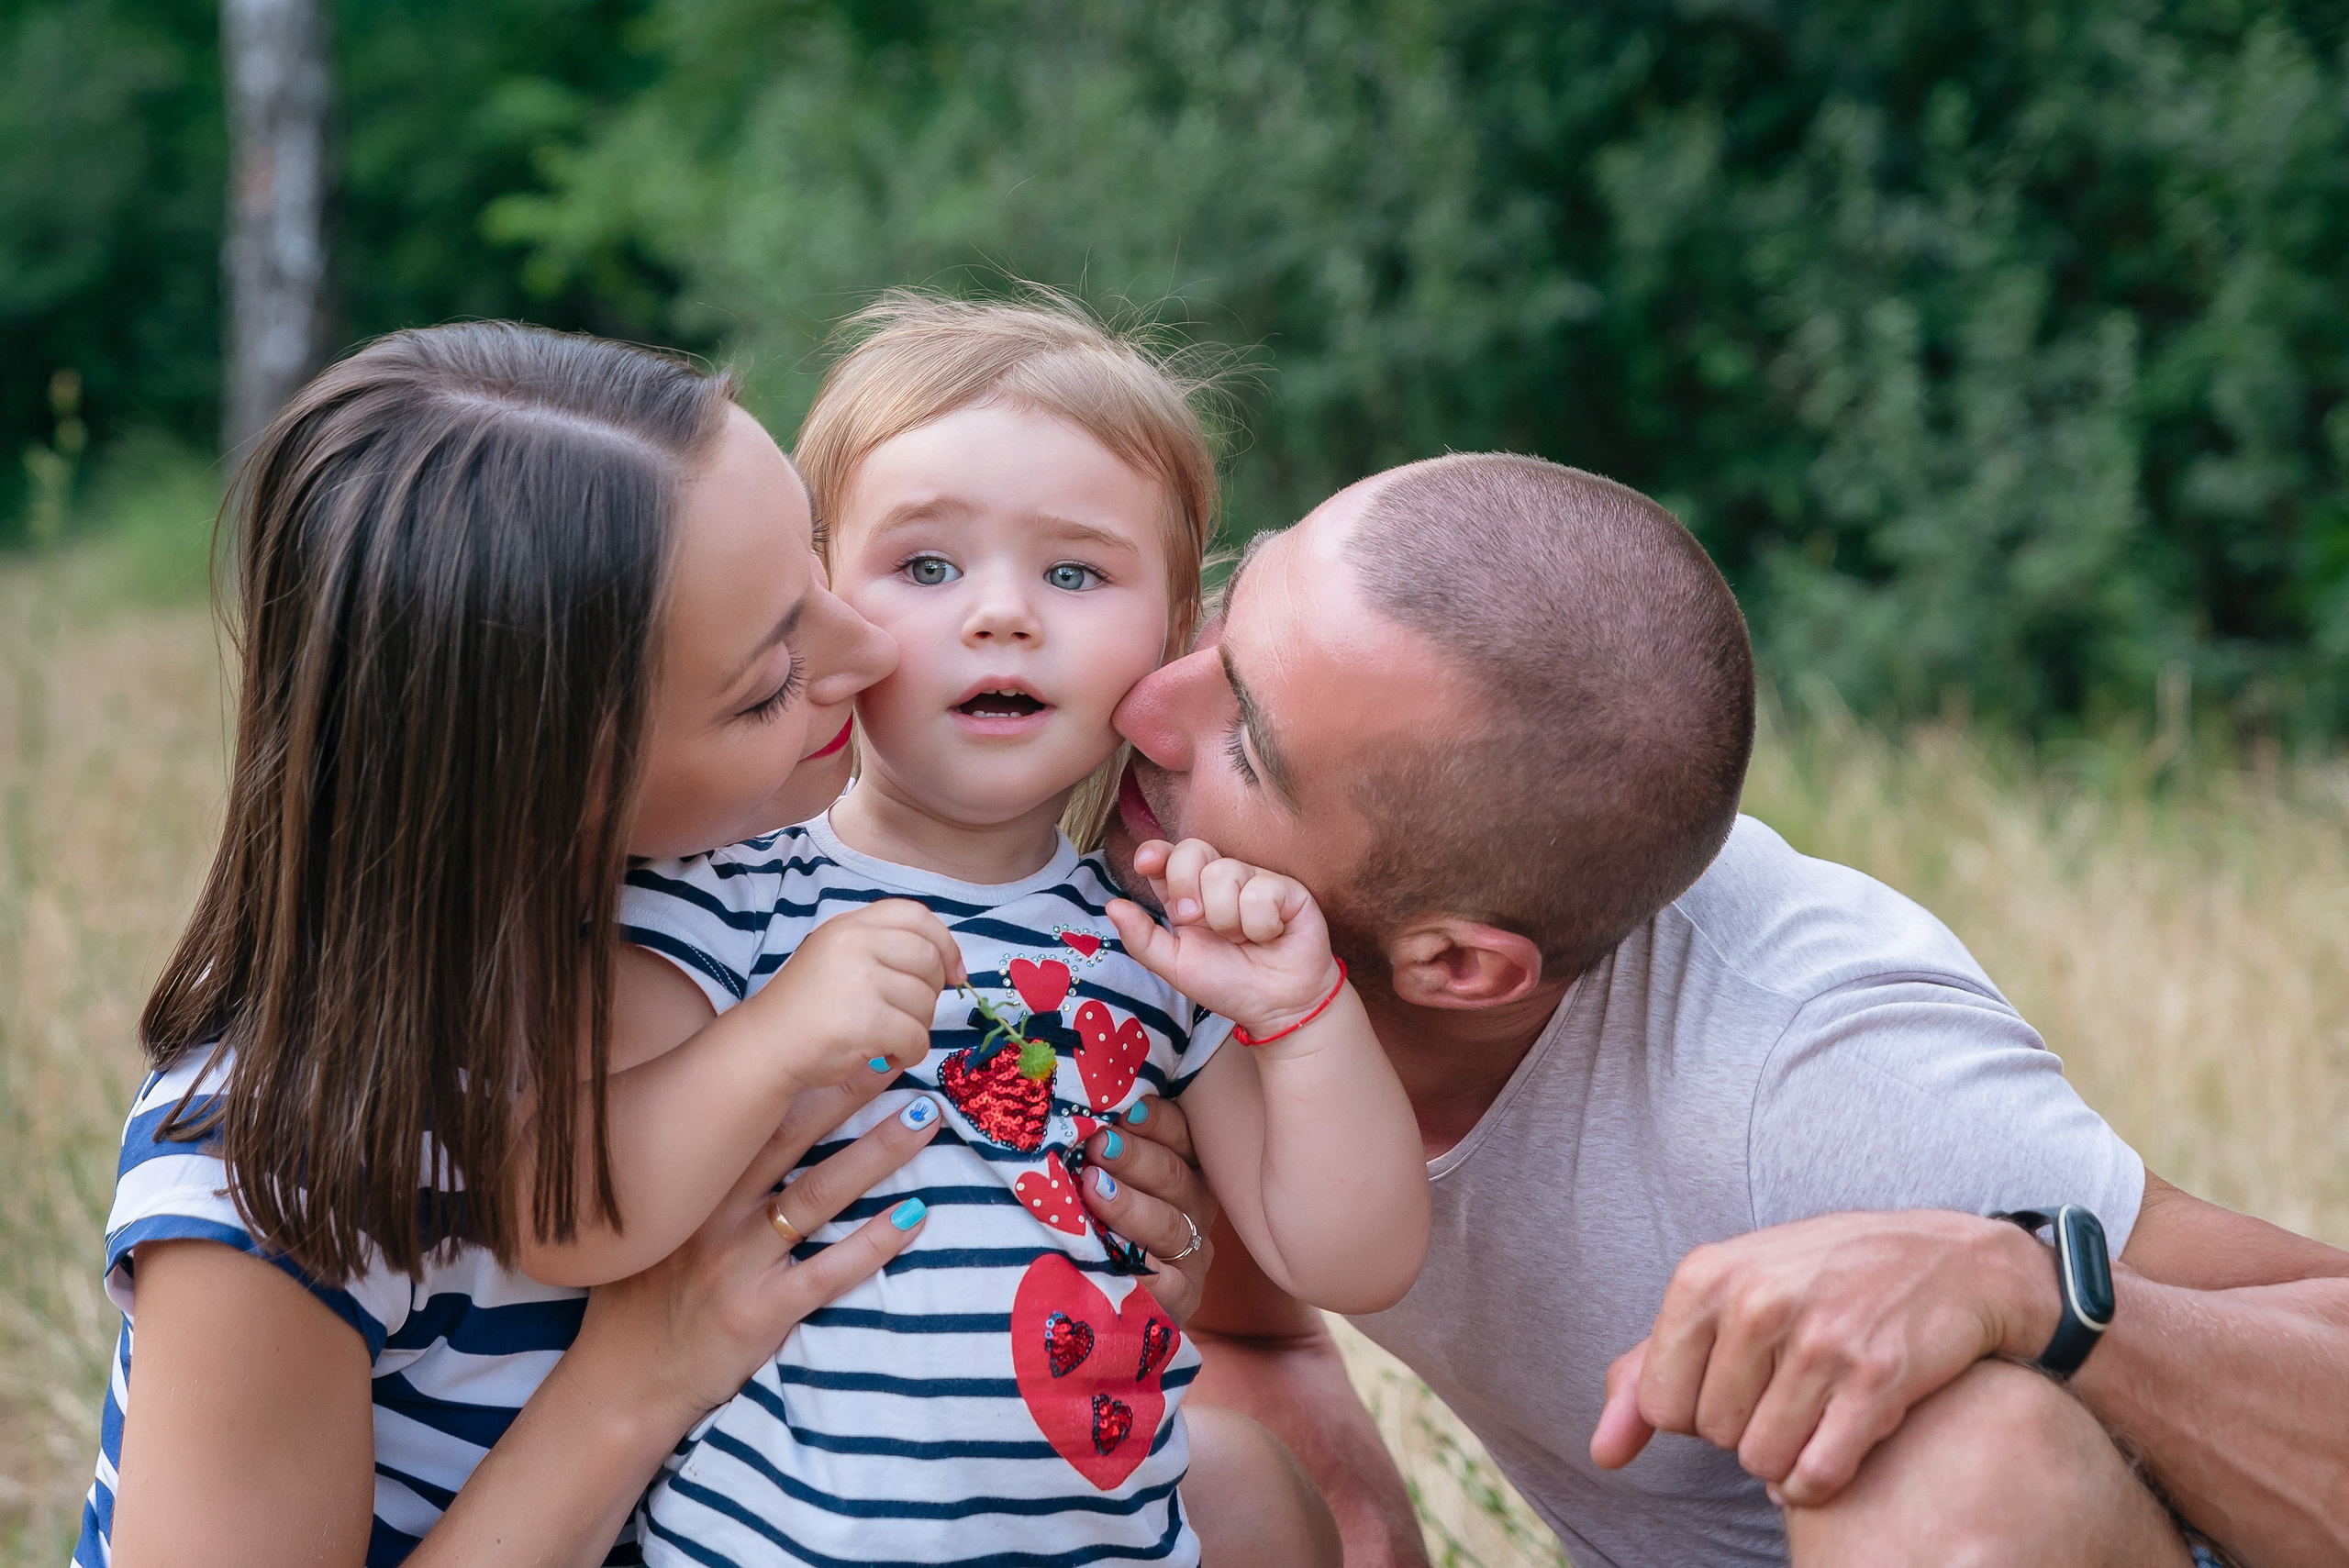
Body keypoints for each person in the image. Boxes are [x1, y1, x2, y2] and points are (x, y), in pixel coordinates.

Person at [76, 322, 1266, 1568]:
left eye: (819, 577)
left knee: (1242, 1489)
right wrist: (641, 1375)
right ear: (554, 785)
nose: (868, 656)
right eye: (768, 681)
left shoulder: (741, 931)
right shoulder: (269, 1180)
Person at [1078, 451, 2349, 1567]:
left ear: (1460, 966)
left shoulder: (1815, 1076)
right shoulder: (1190, 935)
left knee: (1964, 1459)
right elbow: (1254, 1330)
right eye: (1227, 622)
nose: (1145, 704)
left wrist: (2026, 1280)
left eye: (1245, 735)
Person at [534, 294, 1425, 1568]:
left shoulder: (1157, 941)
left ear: (1170, 634)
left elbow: (1355, 1254)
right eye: (928, 567)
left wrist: (1300, 1013)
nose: (1003, 613)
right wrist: (779, 1033)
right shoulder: (724, 895)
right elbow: (571, 1216)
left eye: (1074, 572)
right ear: (822, 610)